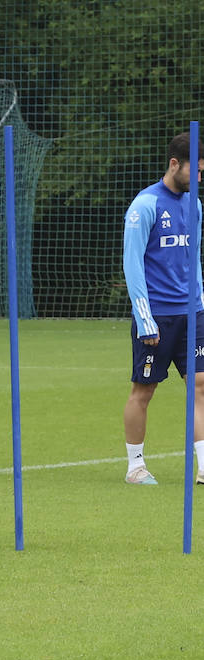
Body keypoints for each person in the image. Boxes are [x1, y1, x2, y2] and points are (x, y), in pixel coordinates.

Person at [121, 131, 204, 486]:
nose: (200, 178)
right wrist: (144, 319)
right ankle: (135, 466)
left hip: (193, 314)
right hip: (156, 316)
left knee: (200, 384)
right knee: (144, 390)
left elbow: (194, 259)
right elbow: (132, 264)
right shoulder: (145, 205)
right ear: (175, 164)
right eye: (196, 170)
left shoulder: (195, 203)